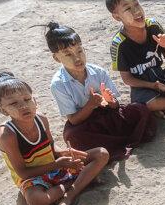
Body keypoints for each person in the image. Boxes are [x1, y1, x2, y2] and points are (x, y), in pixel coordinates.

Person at [0, 71, 109, 205]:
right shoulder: (7, 135)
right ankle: (73, 185)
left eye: (27, 99)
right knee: (37, 200)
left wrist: (67, 152)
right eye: (14, 103)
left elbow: (51, 147)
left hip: (54, 165)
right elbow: (22, 173)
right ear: (3, 110)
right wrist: (58, 164)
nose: (23, 106)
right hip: (33, 177)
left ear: (35, 100)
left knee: (101, 154)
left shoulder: (41, 119)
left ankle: (68, 196)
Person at [46, 21, 156, 162]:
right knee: (73, 137)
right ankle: (115, 143)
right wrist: (91, 105)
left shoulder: (97, 72)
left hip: (107, 114)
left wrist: (110, 101)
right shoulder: (58, 84)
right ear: (56, 58)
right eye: (68, 54)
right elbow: (73, 119)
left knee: (140, 109)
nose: (77, 58)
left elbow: (115, 105)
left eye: (80, 51)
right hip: (85, 123)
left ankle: (116, 142)